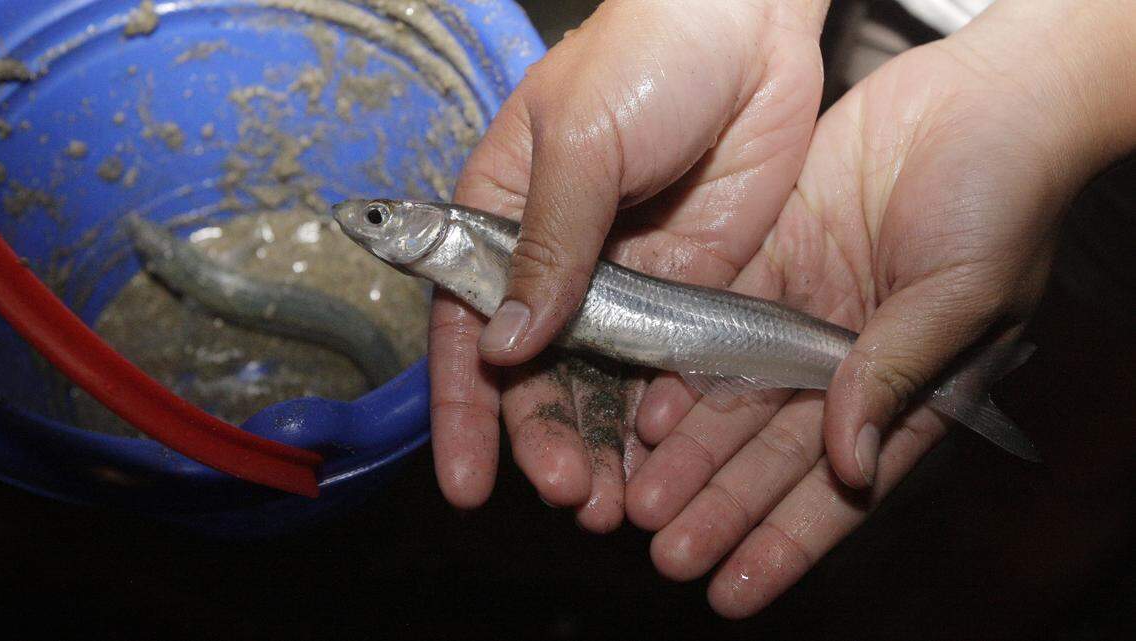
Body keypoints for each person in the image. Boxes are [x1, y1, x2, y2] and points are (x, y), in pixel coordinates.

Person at [426, 0, 1136, 619]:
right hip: (897, 36)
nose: (364, 224)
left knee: (1091, 366)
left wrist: (1052, 93)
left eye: (378, 219)